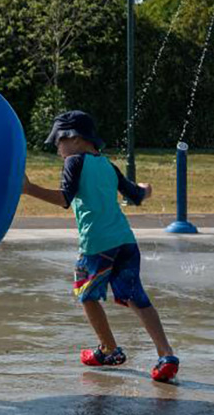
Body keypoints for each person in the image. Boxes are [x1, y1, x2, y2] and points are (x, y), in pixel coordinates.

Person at [22, 110, 180, 382]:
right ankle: (166, 354)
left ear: (75, 138)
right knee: (137, 298)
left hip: (97, 245)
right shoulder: (107, 165)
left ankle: (109, 349)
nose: (58, 149)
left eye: (58, 142)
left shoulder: (74, 161)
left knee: (87, 294)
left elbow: (64, 199)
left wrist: (28, 188)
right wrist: (146, 189)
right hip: (126, 242)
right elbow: (136, 194)